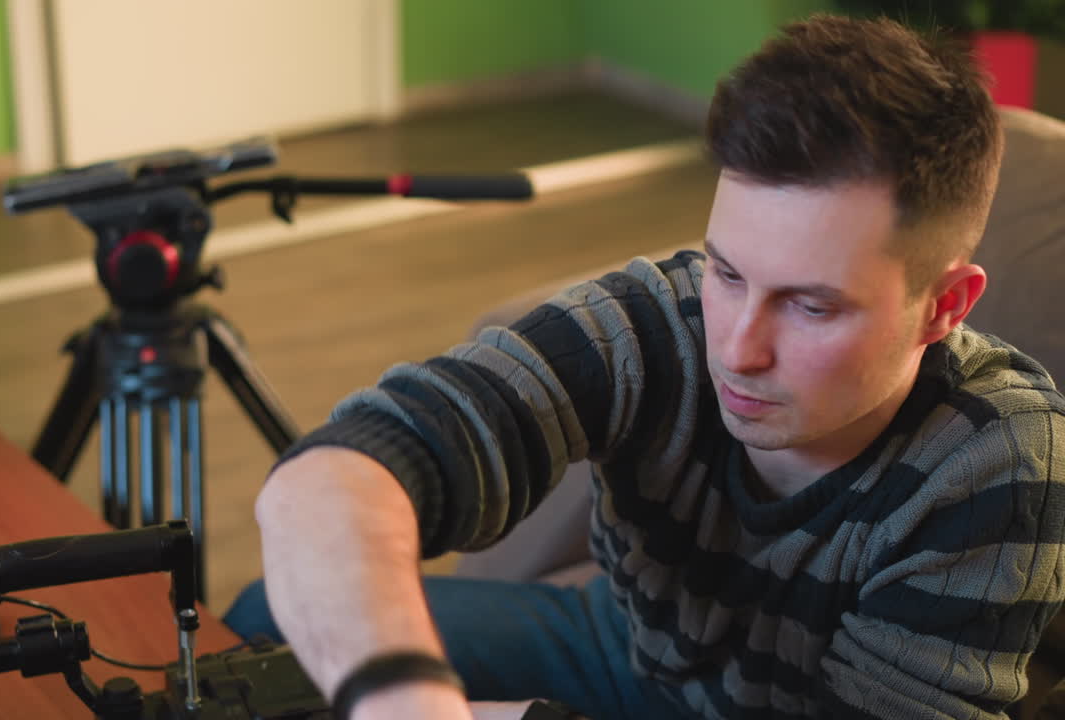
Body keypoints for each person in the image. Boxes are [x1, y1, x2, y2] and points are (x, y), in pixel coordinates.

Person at [223, 13, 1065, 720]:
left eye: (811, 306)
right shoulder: (657, 319)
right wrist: (403, 697)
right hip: (626, 647)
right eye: (728, 273)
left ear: (945, 306)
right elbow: (336, 474)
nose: (736, 348)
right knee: (266, 628)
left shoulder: (999, 463)